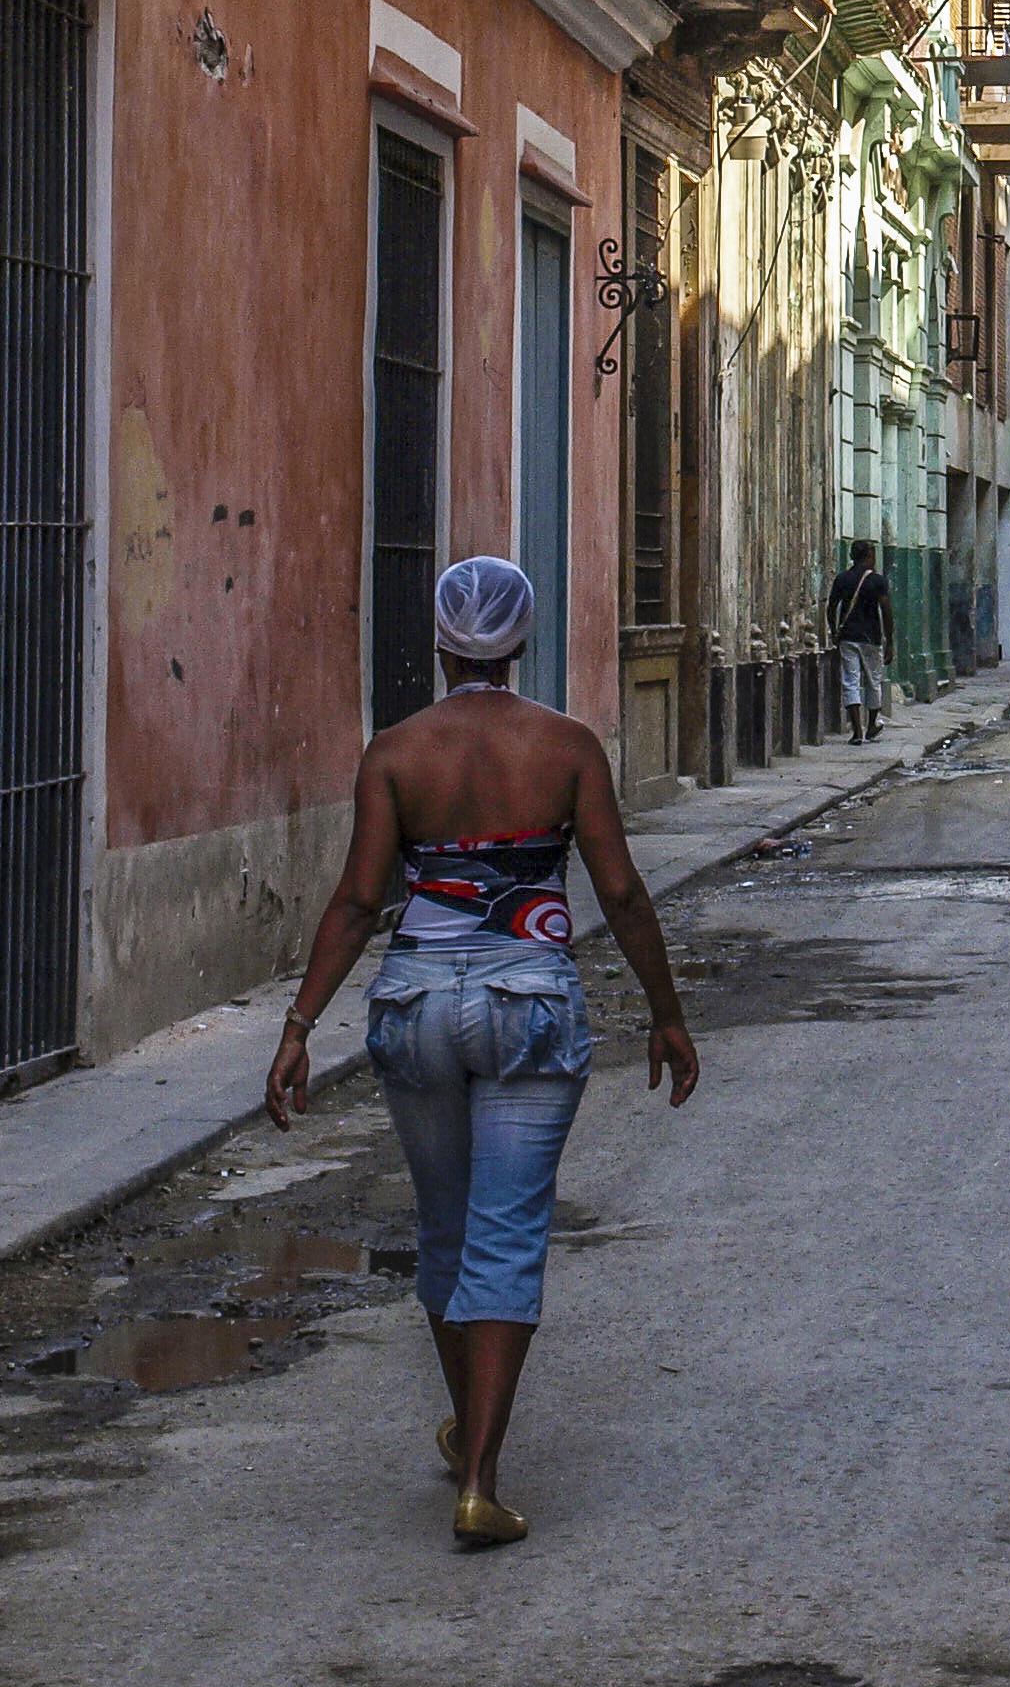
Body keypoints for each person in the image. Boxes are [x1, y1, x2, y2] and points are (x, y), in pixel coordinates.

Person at [264, 555, 699, 1549]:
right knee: (506, 1236)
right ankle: (481, 1480)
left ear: (441, 642)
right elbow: (622, 893)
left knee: (447, 1230)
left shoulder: (395, 752)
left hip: (414, 1005)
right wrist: (666, 1015)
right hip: (529, 1006)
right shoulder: (568, 747)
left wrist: (298, 1029)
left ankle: (469, 1433)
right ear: (522, 641)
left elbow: (358, 900)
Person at [827, 539, 894, 740]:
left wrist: (834, 631)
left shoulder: (842, 579)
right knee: (874, 681)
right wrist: (890, 641)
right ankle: (871, 724)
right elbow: (886, 610)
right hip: (871, 638)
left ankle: (856, 730)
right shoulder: (878, 581)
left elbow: (831, 608)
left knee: (851, 681)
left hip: (848, 636)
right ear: (869, 556)